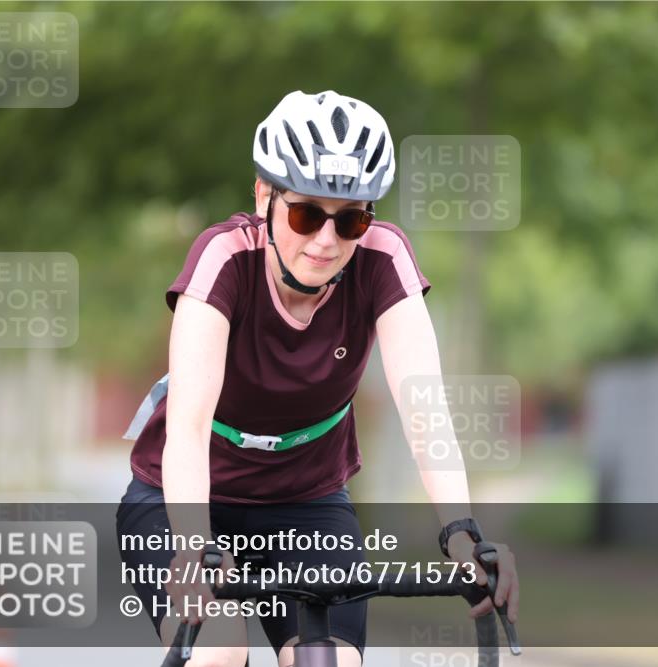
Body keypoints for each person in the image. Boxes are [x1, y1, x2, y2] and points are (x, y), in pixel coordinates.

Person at [115, 90, 519, 667]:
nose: (327, 241)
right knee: (218, 651)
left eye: (351, 219)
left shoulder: (384, 258)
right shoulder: (223, 258)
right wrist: (192, 548)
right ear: (264, 195)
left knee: (329, 660)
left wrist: (463, 534)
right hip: (180, 496)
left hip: (306, 502)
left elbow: (427, 414)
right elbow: (188, 427)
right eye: (306, 214)